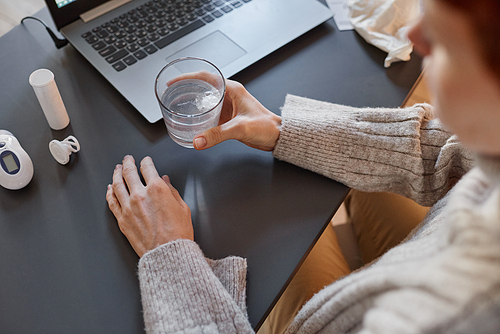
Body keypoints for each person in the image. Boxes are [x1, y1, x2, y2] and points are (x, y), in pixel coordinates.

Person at [106, 0, 500, 332]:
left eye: (445, 41)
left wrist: (170, 257)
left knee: (281, 252)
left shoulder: (460, 315)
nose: (413, 34)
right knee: (313, 215)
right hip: (434, 242)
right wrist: (283, 130)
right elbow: (451, 151)